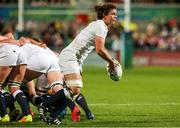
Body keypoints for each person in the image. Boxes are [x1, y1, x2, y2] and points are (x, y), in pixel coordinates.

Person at [39, 3, 119, 124]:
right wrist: (111, 62)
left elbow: (99, 49)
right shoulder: (101, 26)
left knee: (73, 91)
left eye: (115, 14)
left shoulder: (100, 26)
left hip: (76, 59)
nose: (115, 17)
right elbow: (100, 49)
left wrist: (110, 61)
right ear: (104, 15)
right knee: (75, 88)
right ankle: (44, 105)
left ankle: (54, 115)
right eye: (112, 14)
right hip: (70, 56)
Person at [0, 34, 32, 123]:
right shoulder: (5, 36)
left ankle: (3, 116)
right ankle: (27, 115)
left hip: (7, 51)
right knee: (15, 86)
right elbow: (11, 35)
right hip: (20, 52)